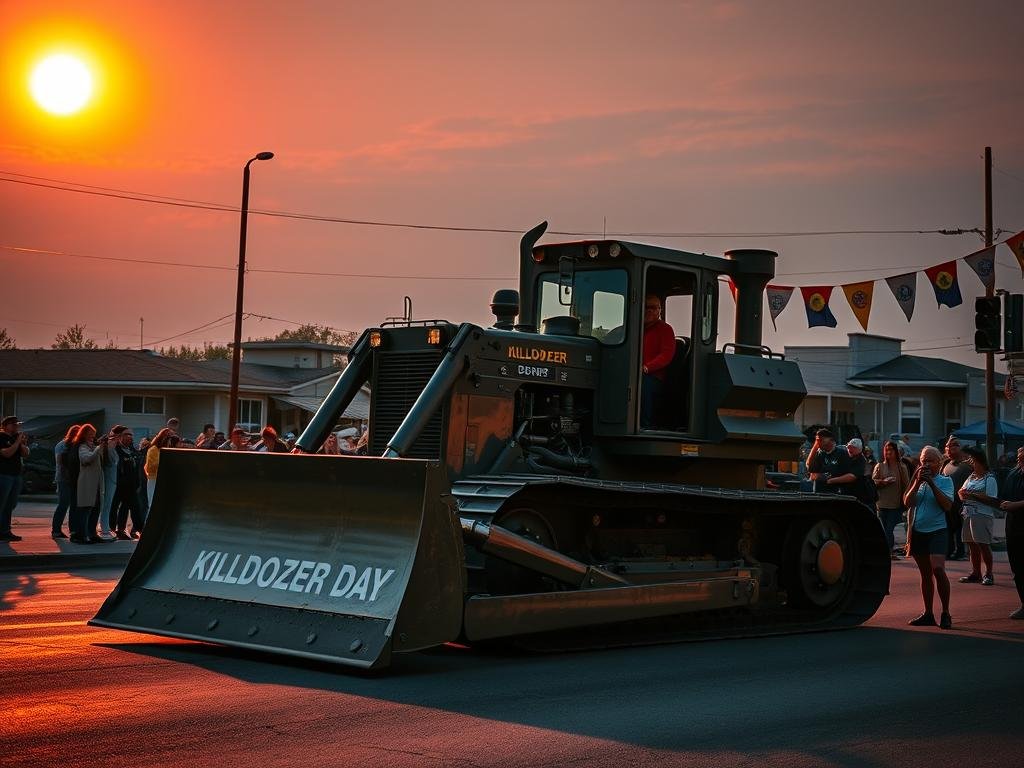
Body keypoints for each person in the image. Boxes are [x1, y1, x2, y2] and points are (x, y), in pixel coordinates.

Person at [903, 446, 955, 629]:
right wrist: (917, 483)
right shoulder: (918, 481)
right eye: (923, 461)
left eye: (930, 461)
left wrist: (932, 484)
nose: (925, 464)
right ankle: (928, 613)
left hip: (937, 531)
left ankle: (946, 612)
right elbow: (908, 502)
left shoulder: (945, 481)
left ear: (939, 463)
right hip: (918, 531)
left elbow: (947, 506)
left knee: (938, 569)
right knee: (925, 574)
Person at [957, 446, 999, 586]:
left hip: (982, 514)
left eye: (972, 460)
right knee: (971, 545)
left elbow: (992, 499)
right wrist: (962, 494)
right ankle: (976, 572)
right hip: (968, 513)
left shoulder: (989, 478)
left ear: (979, 461)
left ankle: (989, 573)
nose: (971, 463)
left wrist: (971, 495)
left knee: (983, 544)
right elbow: (961, 491)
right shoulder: (971, 476)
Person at [640, 294, 674, 429]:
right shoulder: (636, 329)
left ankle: (645, 426)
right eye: (646, 307)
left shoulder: (665, 329)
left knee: (642, 385)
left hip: (654, 378)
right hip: (637, 374)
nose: (649, 310)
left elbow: (666, 355)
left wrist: (647, 367)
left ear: (660, 310)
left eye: (653, 308)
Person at [998, 447, 1024, 619]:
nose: (1020, 458)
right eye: (1019, 456)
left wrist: (1017, 505)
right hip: (1013, 526)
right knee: (1017, 567)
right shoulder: (1014, 474)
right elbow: (1004, 495)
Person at [73, 424, 111, 544]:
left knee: (95, 509)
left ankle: (92, 534)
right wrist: (98, 448)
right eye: (90, 435)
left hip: (97, 484)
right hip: (87, 483)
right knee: (86, 509)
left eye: (93, 435)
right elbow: (86, 459)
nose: (92, 437)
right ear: (84, 435)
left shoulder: (93, 446)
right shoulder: (82, 447)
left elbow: (105, 461)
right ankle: (82, 535)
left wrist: (102, 447)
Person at [873, 439, 909, 560]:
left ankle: (888, 552)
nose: (888, 452)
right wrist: (883, 482)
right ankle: (888, 552)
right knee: (885, 529)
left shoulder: (901, 467)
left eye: (891, 450)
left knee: (889, 528)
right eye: (886, 450)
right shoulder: (880, 466)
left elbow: (907, 485)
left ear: (896, 452)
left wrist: (907, 501)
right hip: (882, 503)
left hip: (895, 504)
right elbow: (872, 482)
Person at [0, 415, 29, 541]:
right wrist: (17, 442)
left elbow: (26, 454)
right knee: (1, 503)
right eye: (13, 424)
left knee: (11, 504)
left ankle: (5, 530)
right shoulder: (1, 437)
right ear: (5, 426)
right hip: (4, 474)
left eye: (17, 424)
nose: (16, 426)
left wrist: (21, 443)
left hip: (16, 475)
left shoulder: (16, 438)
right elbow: (6, 453)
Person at [941, 436, 971, 560]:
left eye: (954, 445)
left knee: (959, 529)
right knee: (948, 528)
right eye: (948, 446)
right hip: (946, 502)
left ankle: (960, 551)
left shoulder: (967, 466)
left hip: (960, 503)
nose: (949, 448)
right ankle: (948, 550)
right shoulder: (945, 464)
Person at [112, 429, 143, 539]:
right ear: (120, 437)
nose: (129, 436)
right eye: (126, 434)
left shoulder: (132, 449)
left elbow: (138, 460)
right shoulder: (117, 449)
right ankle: (114, 529)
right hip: (119, 485)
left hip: (132, 485)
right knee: (114, 507)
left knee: (133, 508)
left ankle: (126, 529)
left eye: (131, 434)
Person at [51, 424, 80, 538]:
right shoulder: (62, 445)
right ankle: (56, 530)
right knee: (63, 504)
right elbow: (60, 463)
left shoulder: (74, 445)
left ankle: (73, 529)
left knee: (73, 505)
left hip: (72, 479)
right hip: (63, 479)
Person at [98, 424, 127, 539]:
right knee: (106, 504)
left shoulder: (114, 445)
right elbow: (109, 462)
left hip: (112, 478)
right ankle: (104, 527)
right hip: (108, 478)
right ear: (119, 435)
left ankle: (106, 527)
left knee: (109, 504)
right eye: (124, 434)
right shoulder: (110, 445)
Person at [806, 428, 854, 494]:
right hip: (820, 493)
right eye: (817, 440)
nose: (818, 442)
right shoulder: (820, 453)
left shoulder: (842, 453)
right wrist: (815, 446)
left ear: (830, 440)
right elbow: (810, 469)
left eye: (820, 440)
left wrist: (827, 478)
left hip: (837, 493)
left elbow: (848, 475)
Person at [145, 428, 176, 507]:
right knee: (153, 504)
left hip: (164, 480)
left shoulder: (169, 450)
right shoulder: (153, 449)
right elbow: (150, 467)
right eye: (169, 439)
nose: (170, 441)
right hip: (154, 480)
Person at [844, 438, 876, 505]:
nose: (850, 450)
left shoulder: (861, 460)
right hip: (853, 496)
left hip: (863, 497)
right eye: (849, 447)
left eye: (853, 448)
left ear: (859, 449)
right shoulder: (848, 459)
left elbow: (854, 477)